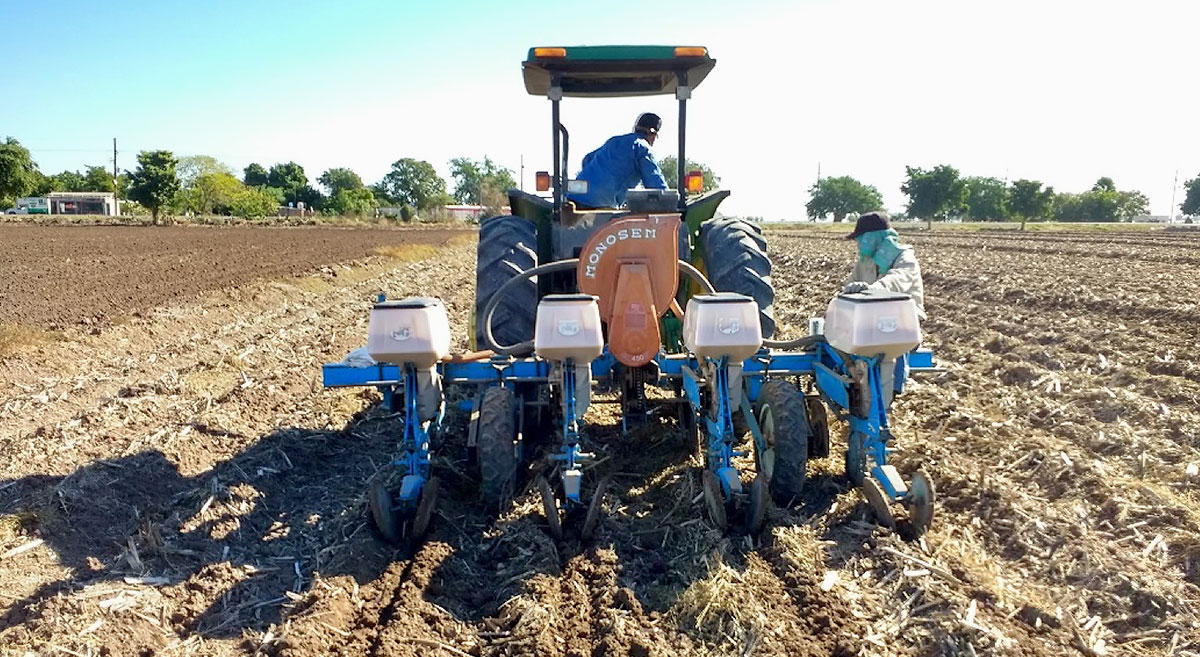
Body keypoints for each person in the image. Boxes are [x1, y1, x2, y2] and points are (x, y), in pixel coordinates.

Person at [841, 211, 926, 407]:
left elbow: (898, 279)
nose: (858, 244)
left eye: (861, 239)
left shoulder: (905, 258)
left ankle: (884, 402)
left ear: (875, 237)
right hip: (869, 322)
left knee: (886, 355)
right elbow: (849, 286)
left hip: (902, 324)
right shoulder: (865, 262)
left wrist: (872, 289)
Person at [567, 113, 669, 209]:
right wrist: (670, 202)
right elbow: (655, 184)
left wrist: (595, 182)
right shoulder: (643, 149)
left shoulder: (614, 141)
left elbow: (587, 159)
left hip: (574, 198)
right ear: (654, 135)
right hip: (599, 206)